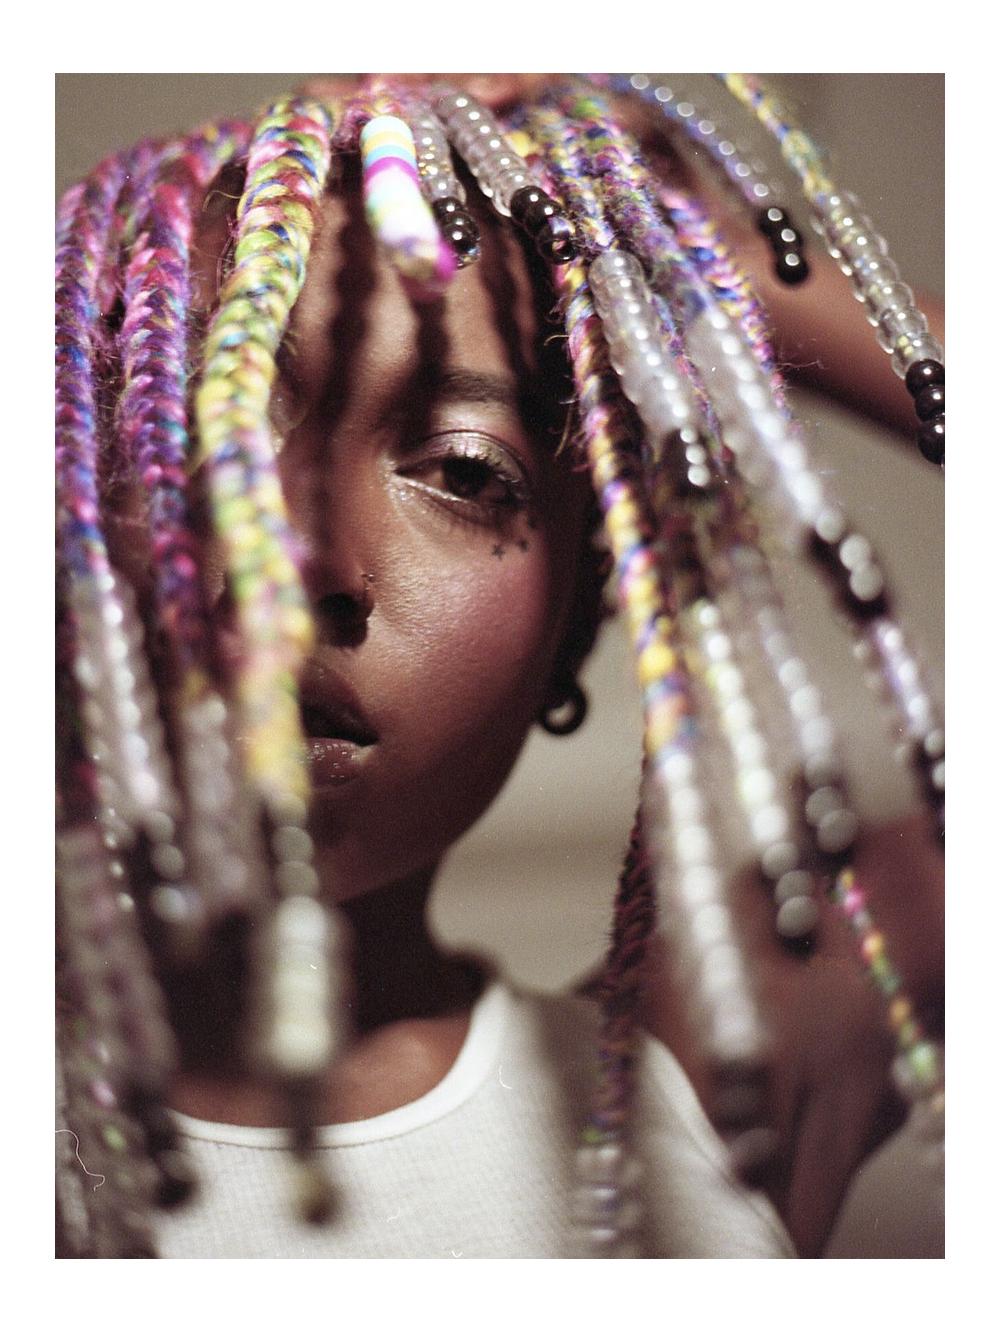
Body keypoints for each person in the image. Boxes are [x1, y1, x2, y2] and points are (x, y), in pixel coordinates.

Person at [55, 74, 944, 1259]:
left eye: (466, 471)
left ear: (576, 625)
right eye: (207, 425)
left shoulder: (714, 1084)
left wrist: (703, 264)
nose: (306, 560)